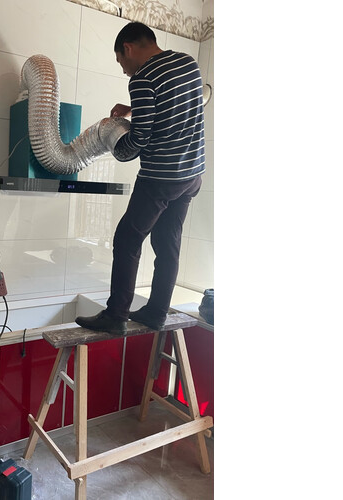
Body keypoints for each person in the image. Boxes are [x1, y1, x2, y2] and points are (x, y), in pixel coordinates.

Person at [75, 22, 206, 335]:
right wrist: (133, 109)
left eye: (120, 61)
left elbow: (137, 143)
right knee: (167, 243)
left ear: (128, 48)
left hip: (161, 177)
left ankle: (116, 315)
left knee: (127, 239)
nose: (123, 70)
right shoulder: (188, 62)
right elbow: (175, 105)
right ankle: (156, 312)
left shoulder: (143, 78)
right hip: (192, 175)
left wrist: (114, 138)